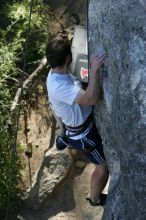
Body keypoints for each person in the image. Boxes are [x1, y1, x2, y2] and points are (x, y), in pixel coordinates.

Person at [46, 37, 109, 206]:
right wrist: (94, 69)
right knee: (103, 168)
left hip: (76, 129)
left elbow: (52, 104)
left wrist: (61, 129)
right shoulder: (59, 86)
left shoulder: (53, 74)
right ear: (68, 58)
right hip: (84, 135)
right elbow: (92, 98)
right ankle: (95, 199)